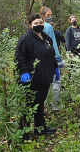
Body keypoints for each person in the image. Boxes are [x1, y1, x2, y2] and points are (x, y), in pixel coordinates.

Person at [15, 13, 59, 141]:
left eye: (40, 23)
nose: (39, 25)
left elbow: (52, 54)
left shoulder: (46, 38)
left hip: (45, 77)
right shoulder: (26, 39)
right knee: (31, 104)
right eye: (36, 24)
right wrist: (24, 71)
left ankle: (40, 127)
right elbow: (19, 57)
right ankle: (23, 132)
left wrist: (55, 67)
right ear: (30, 25)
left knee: (40, 104)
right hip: (33, 78)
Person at [40, 6, 64, 110]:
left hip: (41, 57)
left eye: (51, 15)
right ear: (42, 16)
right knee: (56, 81)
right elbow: (53, 44)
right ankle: (55, 104)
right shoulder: (48, 27)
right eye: (48, 15)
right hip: (52, 57)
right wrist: (58, 58)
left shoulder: (37, 26)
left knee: (44, 81)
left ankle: (43, 105)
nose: (50, 17)